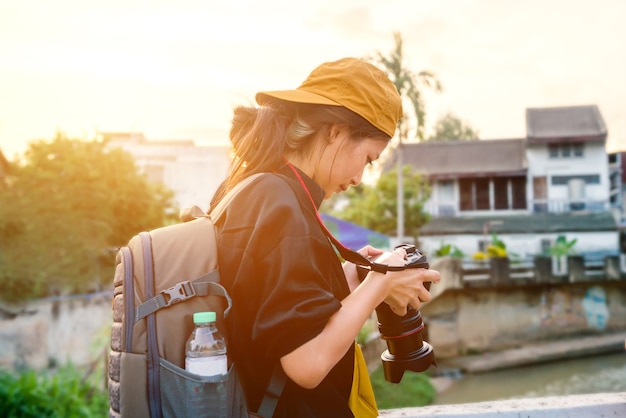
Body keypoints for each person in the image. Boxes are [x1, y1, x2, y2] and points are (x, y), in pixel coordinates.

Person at [210, 57, 441, 417]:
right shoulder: (280, 202)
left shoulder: (253, 187)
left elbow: (270, 317)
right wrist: (381, 282)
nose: (360, 178)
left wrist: (354, 278)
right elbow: (307, 362)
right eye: (367, 158)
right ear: (335, 132)